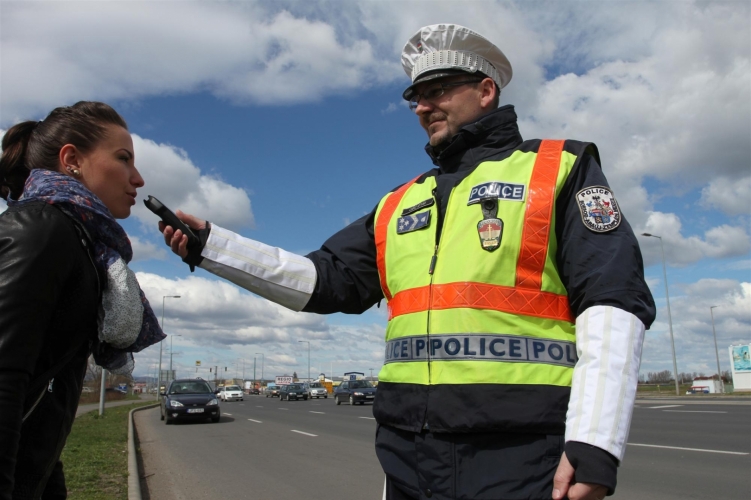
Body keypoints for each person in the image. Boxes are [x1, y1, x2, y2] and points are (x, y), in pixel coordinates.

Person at [161, 24, 655, 500]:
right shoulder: (398, 204)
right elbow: (321, 279)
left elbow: (612, 299)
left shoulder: (558, 168)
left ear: (485, 91)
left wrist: (596, 441)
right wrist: (213, 246)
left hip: (520, 455)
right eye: (415, 97)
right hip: (409, 454)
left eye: (436, 90)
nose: (421, 107)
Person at [0, 101, 165, 499]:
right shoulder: (40, 229)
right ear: (72, 160)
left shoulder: (83, 243)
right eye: (123, 158)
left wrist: (48, 483)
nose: (138, 178)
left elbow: (44, 394)